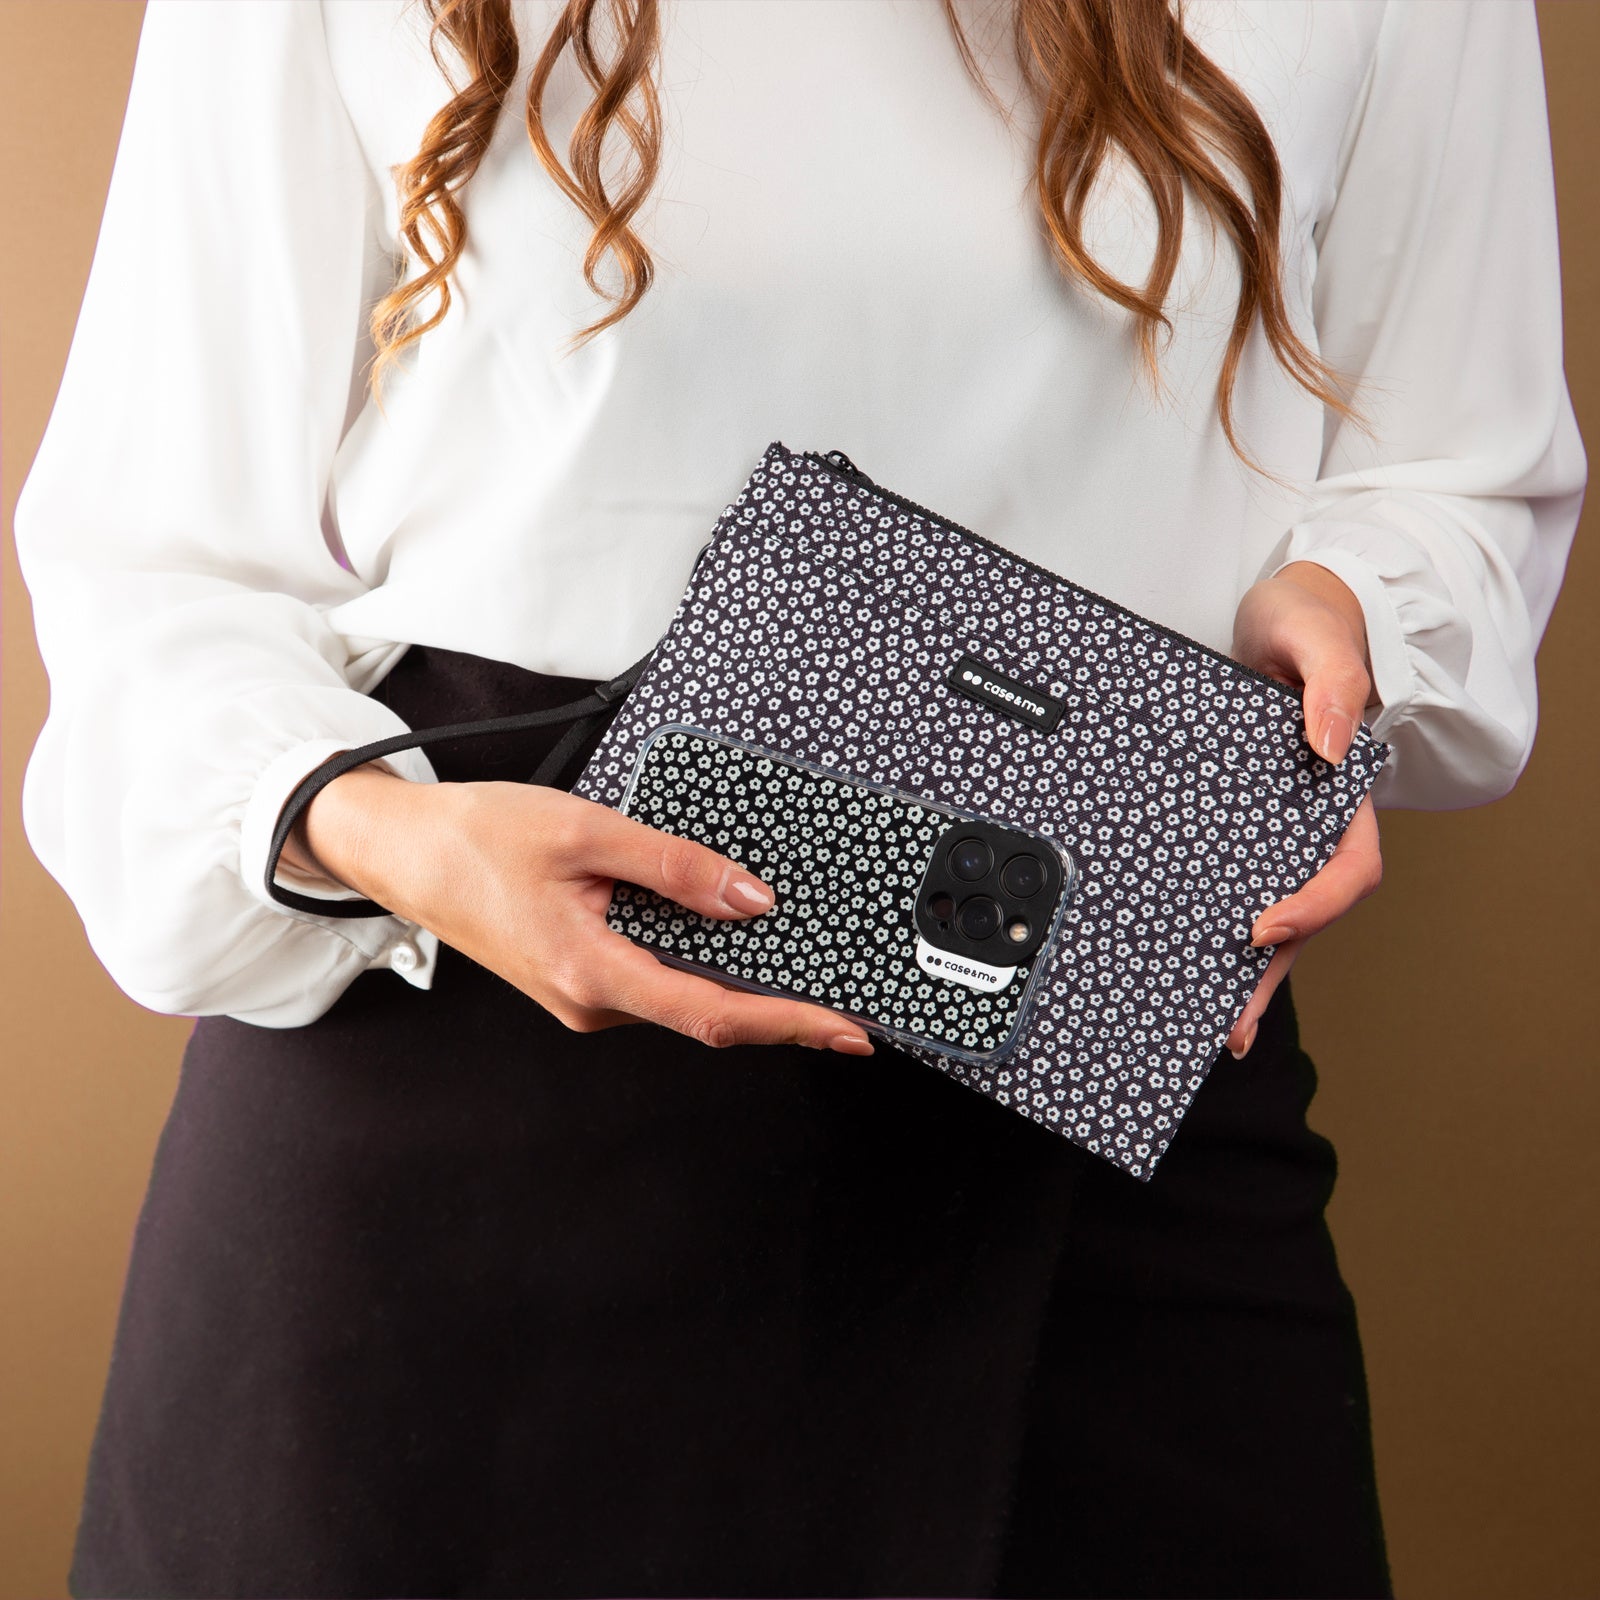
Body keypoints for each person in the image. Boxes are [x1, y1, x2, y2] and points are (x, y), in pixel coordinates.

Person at [15, 0, 1583, 1595]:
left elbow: (1461, 467)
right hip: (464, 1011)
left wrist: (1360, 617)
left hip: (1101, 1032)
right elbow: (154, 555)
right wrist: (379, 831)